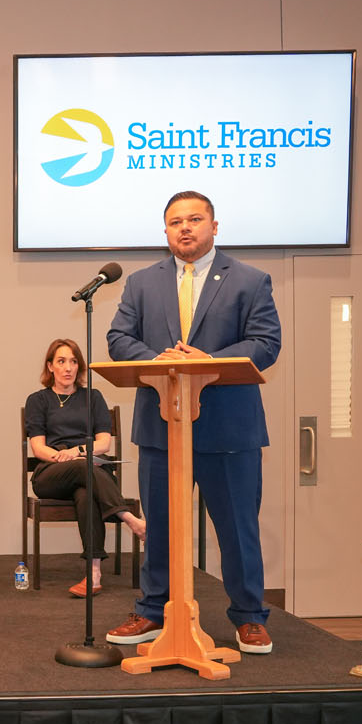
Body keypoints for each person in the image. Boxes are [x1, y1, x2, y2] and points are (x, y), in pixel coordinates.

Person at [106, 190, 282, 653]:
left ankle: (249, 617)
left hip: (230, 430)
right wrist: (160, 360)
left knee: (238, 529)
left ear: (214, 226)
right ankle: (151, 611)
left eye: (195, 219)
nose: (185, 228)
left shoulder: (250, 280)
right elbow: (118, 340)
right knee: (160, 528)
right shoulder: (142, 283)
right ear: (165, 231)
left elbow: (266, 343)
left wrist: (208, 361)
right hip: (162, 428)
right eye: (175, 222)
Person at [23, 338, 146, 598]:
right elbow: (38, 448)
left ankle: (94, 573)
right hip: (51, 473)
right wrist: (63, 457)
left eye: (73, 361)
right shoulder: (38, 400)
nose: (68, 367)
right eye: (61, 361)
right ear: (50, 366)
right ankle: (129, 519)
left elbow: (103, 442)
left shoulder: (93, 397)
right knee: (85, 471)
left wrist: (77, 452)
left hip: (88, 469)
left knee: (85, 490)